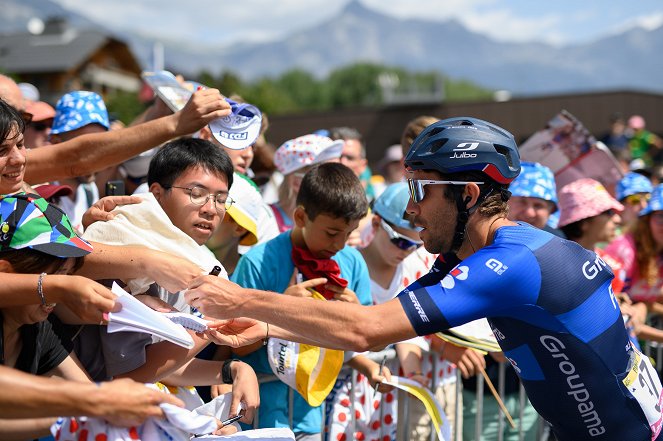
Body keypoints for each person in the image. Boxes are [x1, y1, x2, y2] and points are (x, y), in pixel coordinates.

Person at [186, 117, 663, 441]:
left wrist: (241, 299)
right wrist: (270, 328)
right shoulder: (471, 253)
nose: (410, 211)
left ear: (469, 194)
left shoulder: (507, 265)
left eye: (420, 191)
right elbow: (371, 322)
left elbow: (363, 331)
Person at [80, 138, 259, 424]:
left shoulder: (204, 266)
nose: (211, 209)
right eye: (197, 193)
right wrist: (211, 323)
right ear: (156, 193)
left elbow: (163, 363)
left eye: (221, 199)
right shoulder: (119, 245)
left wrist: (231, 369)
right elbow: (129, 376)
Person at [230, 162, 387, 440]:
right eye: (331, 233)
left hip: (313, 416)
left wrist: (357, 320)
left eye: (348, 234)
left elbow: (366, 341)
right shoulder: (257, 262)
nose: (340, 244)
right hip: (259, 415)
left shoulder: (352, 262)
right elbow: (235, 346)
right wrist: (279, 310)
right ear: (301, 217)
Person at [48, 91, 110, 231]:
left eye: (102, 145)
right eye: (85, 147)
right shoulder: (39, 194)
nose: (95, 156)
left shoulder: (89, 190)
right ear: (56, 142)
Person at [270, 134, 343, 232]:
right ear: (297, 182)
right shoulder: (267, 221)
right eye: (329, 176)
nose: (341, 180)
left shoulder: (339, 221)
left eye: (341, 171)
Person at [506, 161, 561, 235]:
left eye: (538, 205)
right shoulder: (487, 239)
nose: (529, 213)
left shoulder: (557, 244)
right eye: (522, 202)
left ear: (550, 211)